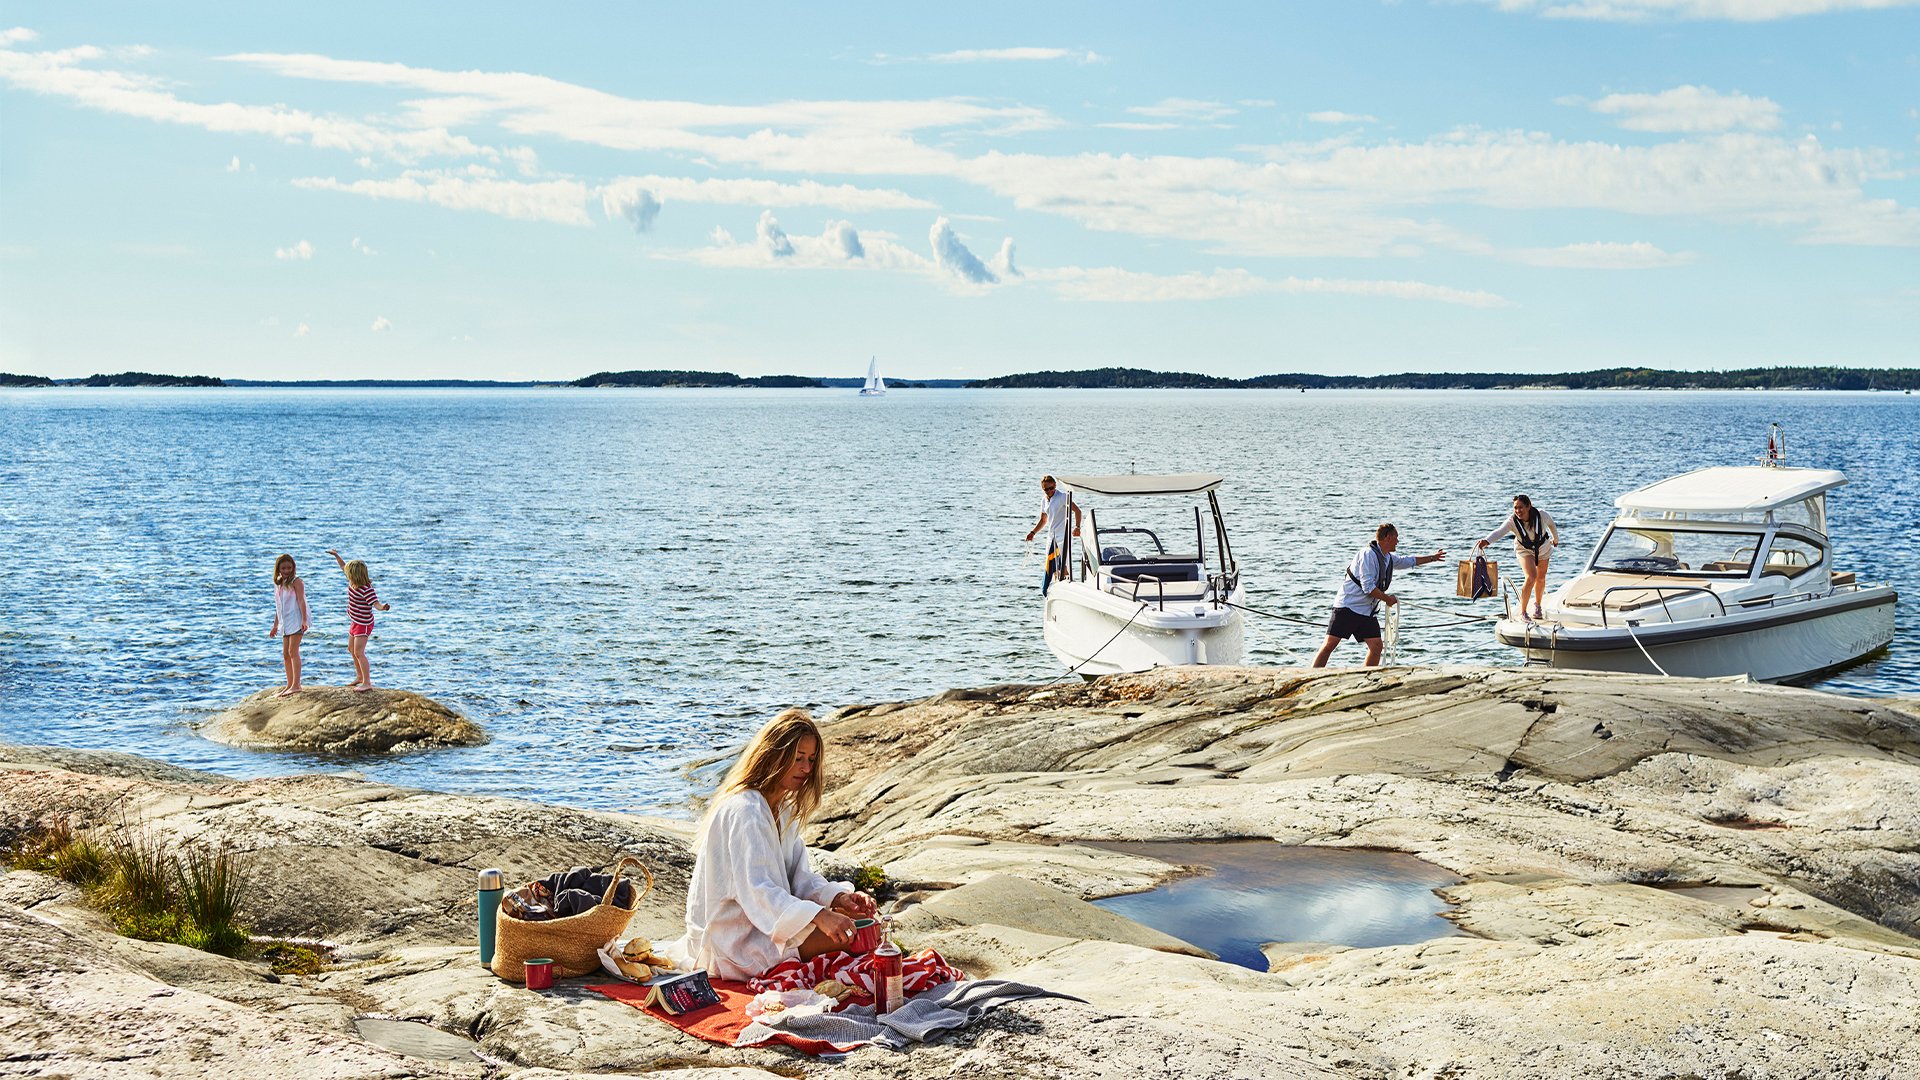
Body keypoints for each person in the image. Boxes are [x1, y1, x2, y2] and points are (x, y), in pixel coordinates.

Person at [671, 708, 880, 980]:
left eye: (811, 759)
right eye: (798, 758)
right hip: (734, 939)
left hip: (767, 922)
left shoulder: (781, 810)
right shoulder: (745, 810)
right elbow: (758, 891)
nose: (806, 768)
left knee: (862, 924)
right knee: (852, 936)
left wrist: (837, 898)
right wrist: (819, 916)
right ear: (774, 755)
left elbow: (799, 878)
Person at [1311, 523, 1446, 668]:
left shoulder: (1388, 557)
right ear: (1388, 537)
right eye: (1396, 537)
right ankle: (1311, 676)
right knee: (1329, 645)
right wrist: (1388, 600)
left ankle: (1366, 679)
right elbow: (1368, 587)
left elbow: (1408, 561)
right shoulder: (1368, 554)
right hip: (1348, 606)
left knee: (1376, 647)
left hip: (1366, 611)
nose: (1398, 541)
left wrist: (1433, 558)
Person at [1475, 494, 1560, 621]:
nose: (1518, 511)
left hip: (1542, 547)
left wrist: (1555, 539)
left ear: (1528, 506)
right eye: (1515, 508)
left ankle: (1538, 606)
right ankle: (1523, 612)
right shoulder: (1512, 521)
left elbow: (1552, 525)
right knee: (1531, 576)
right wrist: (1486, 541)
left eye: (1520, 507)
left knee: (1541, 578)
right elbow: (1499, 531)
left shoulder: (1541, 515)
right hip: (1523, 549)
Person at [327, 549, 392, 691]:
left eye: (348, 572)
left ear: (355, 575)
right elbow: (342, 566)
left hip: (364, 624)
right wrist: (337, 555)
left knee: (359, 652)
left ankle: (367, 683)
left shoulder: (366, 589)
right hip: (355, 621)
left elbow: (376, 604)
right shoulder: (352, 582)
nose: (346, 573)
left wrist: (383, 607)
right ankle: (359, 677)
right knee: (351, 649)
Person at [1023, 475, 1082, 594]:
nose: (1049, 491)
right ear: (1043, 489)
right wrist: (1033, 532)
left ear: (1055, 485)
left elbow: (1077, 511)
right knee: (1052, 565)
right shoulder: (1044, 500)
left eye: (1051, 488)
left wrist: (1077, 527)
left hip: (1062, 536)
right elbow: (1043, 520)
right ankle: (1057, 589)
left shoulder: (1062, 497)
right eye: (1046, 489)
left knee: (1063, 565)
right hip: (1051, 537)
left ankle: (1067, 589)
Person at [267, 554, 309, 697]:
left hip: (297, 619)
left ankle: (296, 685)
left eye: (289, 568)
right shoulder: (278, 583)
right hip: (285, 622)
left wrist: (304, 620)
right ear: (278, 568)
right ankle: (289, 684)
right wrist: (275, 625)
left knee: (293, 651)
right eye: (283, 568)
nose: (286, 570)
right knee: (285, 654)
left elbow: (302, 601)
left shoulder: (297, 582)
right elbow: (279, 606)